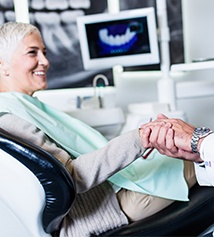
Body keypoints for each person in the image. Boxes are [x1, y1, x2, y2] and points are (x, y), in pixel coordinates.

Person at [0, 21, 196, 236]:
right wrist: (141, 138)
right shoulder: (10, 117)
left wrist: (140, 143)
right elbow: (72, 175)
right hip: (108, 206)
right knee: (201, 155)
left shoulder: (16, 107)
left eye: (44, 52)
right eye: (32, 53)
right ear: (3, 65)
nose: (45, 61)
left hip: (108, 193)